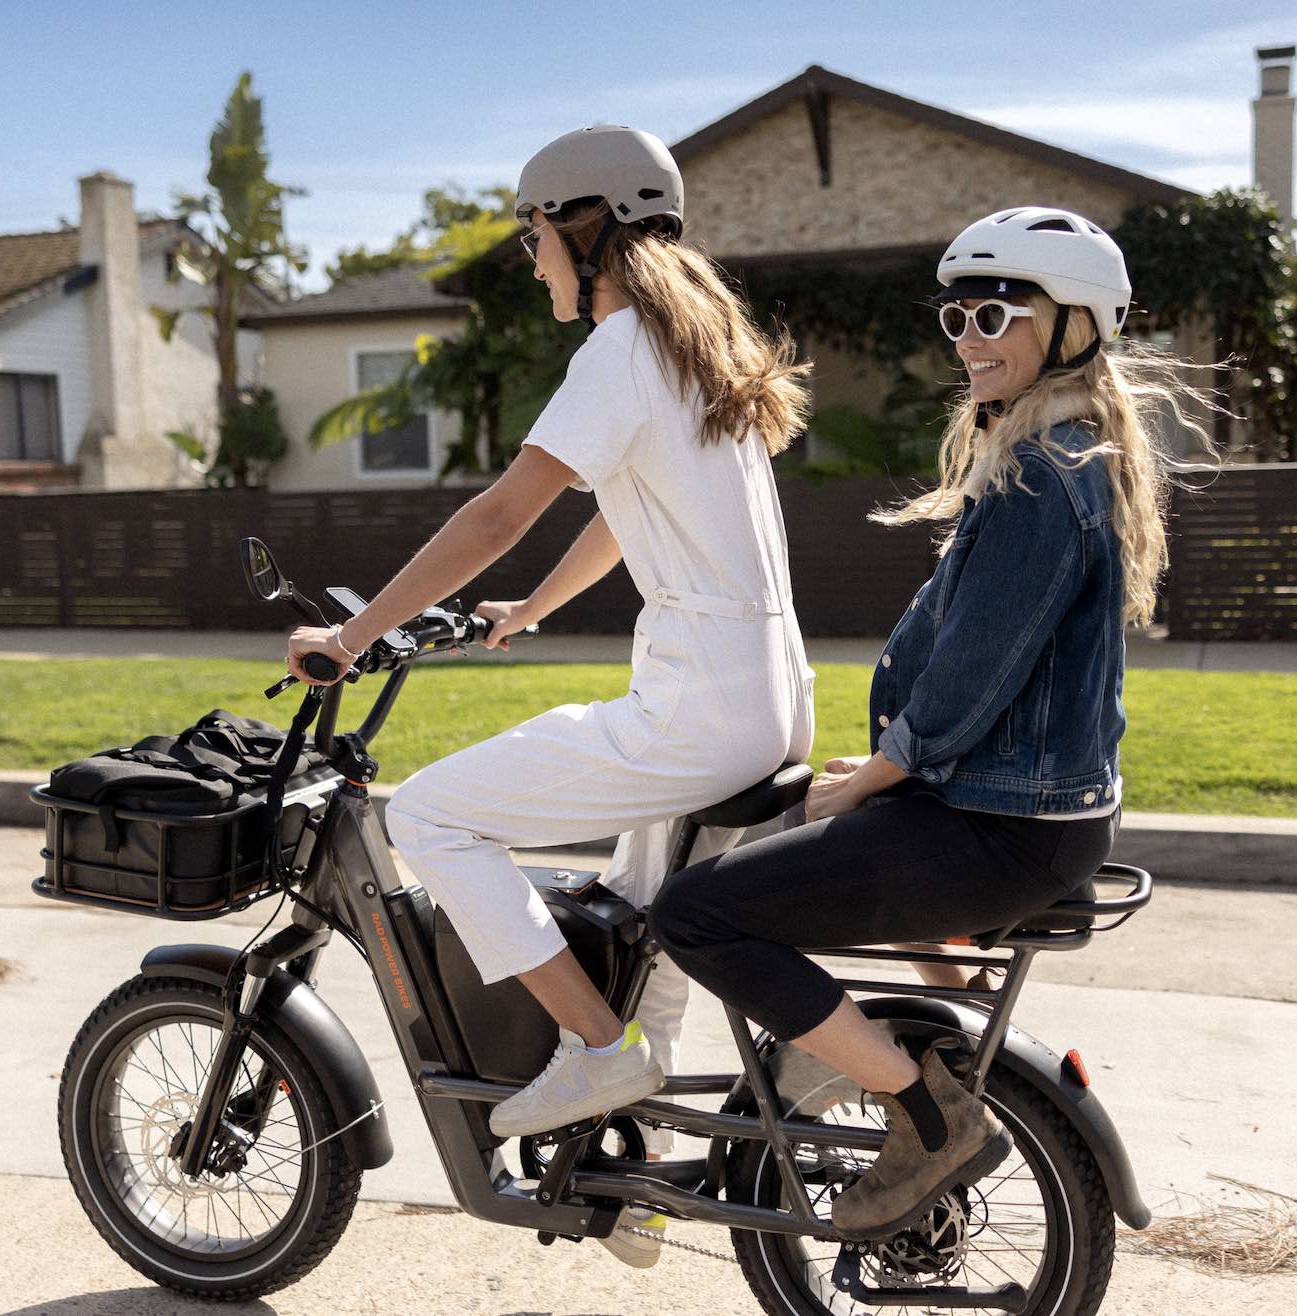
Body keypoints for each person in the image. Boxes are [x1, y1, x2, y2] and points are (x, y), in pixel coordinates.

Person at [286, 123, 816, 1264]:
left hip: (696, 712)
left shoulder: (621, 350)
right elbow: (625, 511)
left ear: (586, 227)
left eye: (534, 234)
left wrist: (351, 632)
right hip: (768, 698)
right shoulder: (691, 350)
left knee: (426, 814)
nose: (532, 260)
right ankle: (637, 1181)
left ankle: (592, 1050)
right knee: (641, 923)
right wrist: (528, 609)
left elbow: (498, 511)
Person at [651, 205, 1206, 1240]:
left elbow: (970, 675)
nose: (971, 340)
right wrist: (886, 773)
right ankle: (934, 1058)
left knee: (694, 911)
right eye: (957, 317)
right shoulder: (1059, 452)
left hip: (997, 827)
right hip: (1008, 812)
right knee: (810, 869)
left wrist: (872, 777)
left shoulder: (1046, 473)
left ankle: (926, 1112)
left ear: (1073, 324)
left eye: (998, 313)